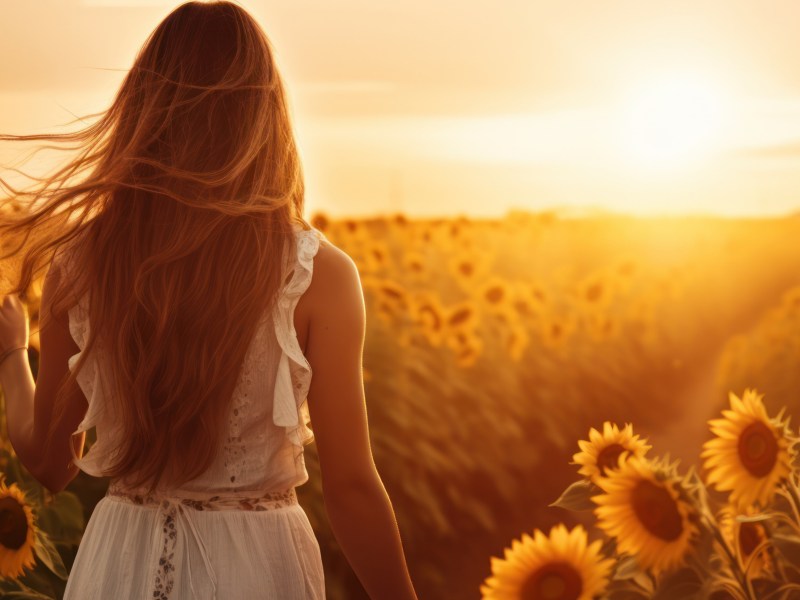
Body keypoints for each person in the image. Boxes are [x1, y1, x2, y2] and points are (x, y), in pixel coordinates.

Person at [0, 1, 419, 598]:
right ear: (264, 115)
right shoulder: (318, 275)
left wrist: (14, 355)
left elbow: (50, 462)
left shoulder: (85, 263)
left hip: (121, 560)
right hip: (257, 562)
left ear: (144, 112)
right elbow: (351, 487)